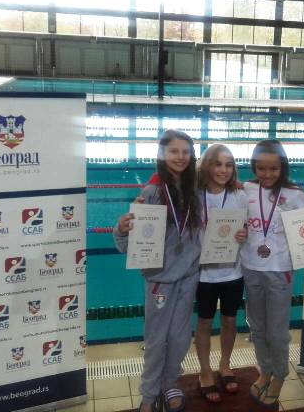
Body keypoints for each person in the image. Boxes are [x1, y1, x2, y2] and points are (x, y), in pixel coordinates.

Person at [241, 140, 304, 408]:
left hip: (280, 269)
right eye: (261, 168)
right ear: (254, 167)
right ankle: (265, 371)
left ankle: (280, 376)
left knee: (277, 331)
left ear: (282, 167)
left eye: (273, 169)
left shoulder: (294, 194)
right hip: (251, 267)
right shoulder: (246, 189)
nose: (267, 174)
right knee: (257, 327)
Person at [113, 129, 202, 412]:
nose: (180, 157)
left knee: (179, 336)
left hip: (189, 274)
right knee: (156, 338)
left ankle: (169, 383)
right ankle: (149, 394)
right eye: (174, 151)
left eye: (185, 152)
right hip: (159, 278)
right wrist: (122, 229)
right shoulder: (152, 192)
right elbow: (132, 242)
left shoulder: (195, 191)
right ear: (163, 155)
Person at [195, 144, 248, 403]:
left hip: (232, 272)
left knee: (229, 320)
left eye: (228, 165)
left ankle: (225, 364)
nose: (223, 170)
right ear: (207, 166)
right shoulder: (194, 195)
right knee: (204, 323)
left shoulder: (239, 195)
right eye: (217, 164)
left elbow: (251, 226)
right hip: (203, 274)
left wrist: (245, 233)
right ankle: (205, 370)